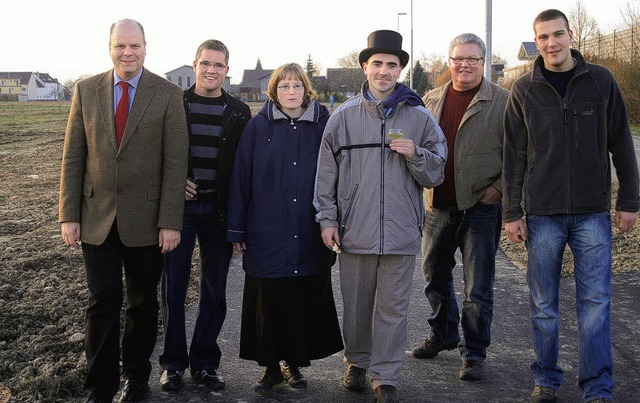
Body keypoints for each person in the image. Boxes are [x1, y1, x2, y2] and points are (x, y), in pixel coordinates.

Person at [502, 9, 639, 403]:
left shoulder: (601, 81)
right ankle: (546, 379)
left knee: (595, 303)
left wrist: (629, 200)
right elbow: (513, 156)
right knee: (544, 304)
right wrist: (512, 212)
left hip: (591, 212)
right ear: (536, 41)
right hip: (542, 214)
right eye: (543, 37)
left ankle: (597, 388)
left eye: (557, 35)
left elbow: (622, 145)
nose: (551, 43)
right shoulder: (523, 90)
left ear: (571, 35)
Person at [58, 19, 188, 403]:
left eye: (134, 46)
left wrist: (169, 221)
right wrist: (68, 213)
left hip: (147, 221)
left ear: (146, 47)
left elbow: (175, 163)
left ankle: (135, 378)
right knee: (102, 302)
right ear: (109, 47)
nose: (127, 53)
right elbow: (73, 157)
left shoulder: (166, 94)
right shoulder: (86, 90)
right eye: (120, 46)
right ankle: (100, 384)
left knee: (142, 303)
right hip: (96, 217)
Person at [314, 30, 447, 403]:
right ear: (365, 67)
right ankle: (356, 362)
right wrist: (327, 220)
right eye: (378, 64)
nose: (384, 71)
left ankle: (385, 376)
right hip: (354, 230)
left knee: (393, 309)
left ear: (400, 70)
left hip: (402, 232)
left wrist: (415, 153)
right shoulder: (342, 118)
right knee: (356, 306)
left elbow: (437, 170)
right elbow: (325, 175)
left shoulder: (419, 116)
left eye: (392, 65)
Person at [226, 63, 344, 395]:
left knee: (300, 299)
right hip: (266, 230)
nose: (290, 92)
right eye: (284, 87)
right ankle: (269, 368)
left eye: (296, 86)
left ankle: (294, 363)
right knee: (269, 300)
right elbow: (241, 178)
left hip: (309, 229)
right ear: (274, 92)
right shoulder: (257, 127)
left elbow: (338, 172)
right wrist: (237, 230)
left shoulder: (324, 125)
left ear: (307, 90)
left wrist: (335, 220)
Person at [410, 33, 508, 382]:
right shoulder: (431, 99)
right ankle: (444, 334)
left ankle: (474, 352)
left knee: (477, 288)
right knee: (433, 277)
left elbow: (521, 153)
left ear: (484, 61)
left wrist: (498, 190)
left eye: (472, 59)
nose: (464, 65)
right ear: (448, 61)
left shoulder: (502, 101)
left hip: (480, 207)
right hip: (438, 205)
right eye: (458, 58)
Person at [158, 39, 251, 392]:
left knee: (214, 290)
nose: (211, 70)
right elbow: (156, 152)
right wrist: (173, 180)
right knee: (174, 289)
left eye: (218, 65)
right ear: (194, 65)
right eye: (205, 63)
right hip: (178, 211)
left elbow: (245, 168)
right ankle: (172, 364)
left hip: (219, 212)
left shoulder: (239, 111)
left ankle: (205, 363)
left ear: (227, 69)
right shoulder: (173, 105)